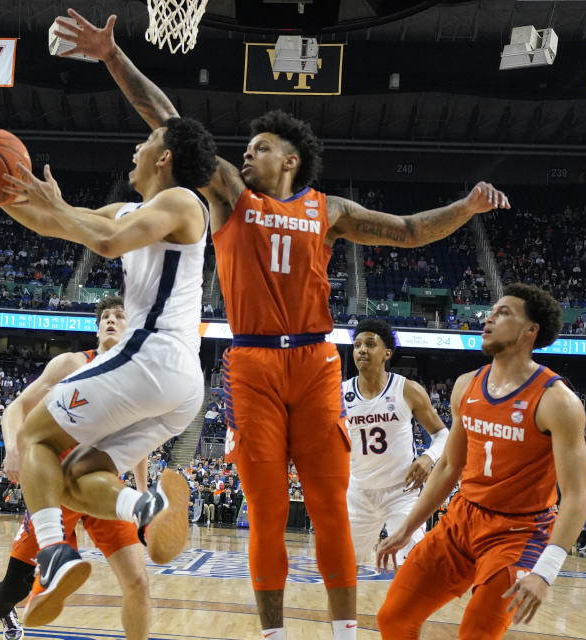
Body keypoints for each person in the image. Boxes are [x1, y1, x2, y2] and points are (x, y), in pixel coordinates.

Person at [49, 11, 511, 639]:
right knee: (266, 514)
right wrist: (111, 56)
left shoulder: (330, 209)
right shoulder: (233, 196)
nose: (246, 150)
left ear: (291, 158)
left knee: (327, 510)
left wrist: (468, 205)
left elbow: (408, 231)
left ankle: (344, 633)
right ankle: (273, 635)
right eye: (246, 146)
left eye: (260, 146)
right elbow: (169, 123)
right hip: (255, 364)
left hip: (317, 364)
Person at [0, 115, 217, 628]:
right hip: (175, 384)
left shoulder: (183, 200)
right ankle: (144, 506)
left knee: (33, 434)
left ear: (165, 158)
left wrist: (59, 207)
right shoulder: (130, 209)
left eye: (147, 141)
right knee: (73, 479)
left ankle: (53, 554)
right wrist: (4, 194)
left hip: (151, 357)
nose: (136, 147)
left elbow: (108, 241)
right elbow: (59, 223)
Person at [375, 284, 586, 639]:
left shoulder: (557, 401)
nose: (488, 318)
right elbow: (447, 467)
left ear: (530, 330)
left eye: (504, 313)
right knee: (393, 619)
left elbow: (577, 495)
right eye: (490, 311)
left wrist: (545, 571)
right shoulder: (466, 385)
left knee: (477, 633)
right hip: (461, 519)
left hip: (518, 533)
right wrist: (406, 529)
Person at [0, 297, 152, 640]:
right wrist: (13, 448)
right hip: (55, 488)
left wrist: (143, 491)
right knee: (14, 588)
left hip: (102, 488)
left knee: (138, 581)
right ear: (98, 327)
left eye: (120, 316)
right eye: (106, 317)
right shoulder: (70, 364)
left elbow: (141, 442)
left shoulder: (136, 380)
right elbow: (16, 408)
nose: (112, 321)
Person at [343, 318, 449, 564]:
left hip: (401, 491)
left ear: (387, 353)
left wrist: (427, 457)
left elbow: (443, 434)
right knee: (345, 567)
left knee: (413, 566)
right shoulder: (340, 394)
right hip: (358, 492)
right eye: (357, 344)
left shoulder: (407, 389)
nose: (361, 350)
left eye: (370, 344)